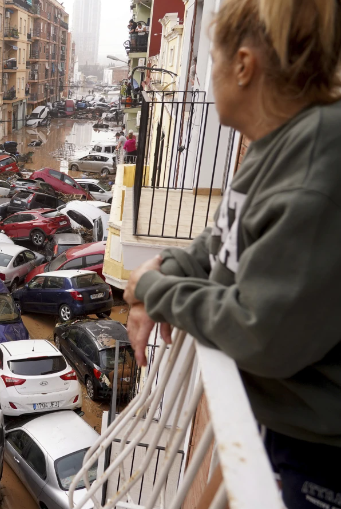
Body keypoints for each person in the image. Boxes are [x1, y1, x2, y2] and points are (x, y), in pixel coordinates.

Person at [122, 0, 341, 507]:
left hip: (321, 455)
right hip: (288, 426)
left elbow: (260, 331)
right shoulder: (274, 144)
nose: (208, 74)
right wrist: (167, 271)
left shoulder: (315, 165)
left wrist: (153, 288)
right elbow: (221, 239)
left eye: (213, 59)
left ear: (243, 66)